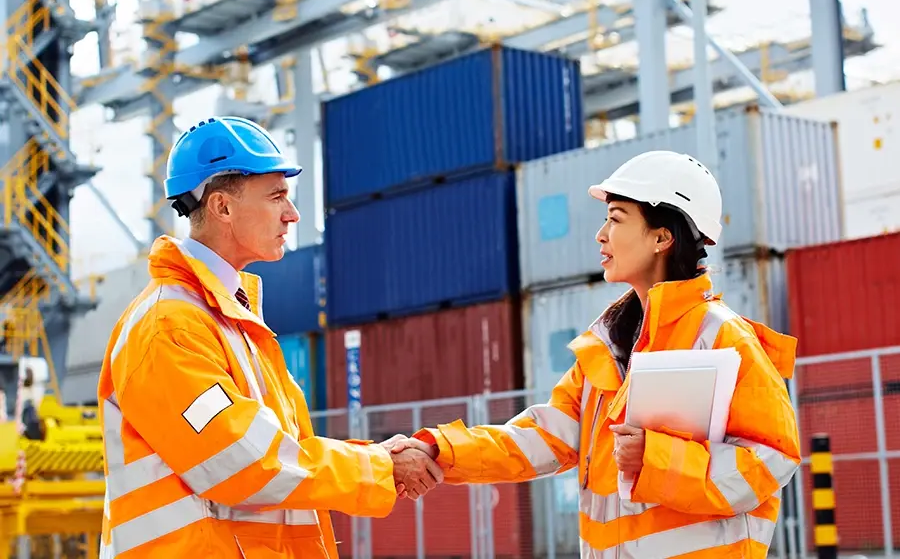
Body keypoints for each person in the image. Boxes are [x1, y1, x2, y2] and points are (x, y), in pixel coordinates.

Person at [391, 150, 802, 557]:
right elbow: (538, 438)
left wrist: (656, 459)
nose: (600, 234)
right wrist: (438, 450)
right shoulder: (609, 345)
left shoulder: (723, 337)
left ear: (662, 237)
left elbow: (772, 460)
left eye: (616, 218)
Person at [97, 116, 442, 559]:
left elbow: (279, 454)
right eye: (277, 196)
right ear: (221, 207)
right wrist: (380, 466)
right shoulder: (170, 326)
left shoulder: (225, 321)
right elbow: (241, 460)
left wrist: (376, 458)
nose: (292, 213)